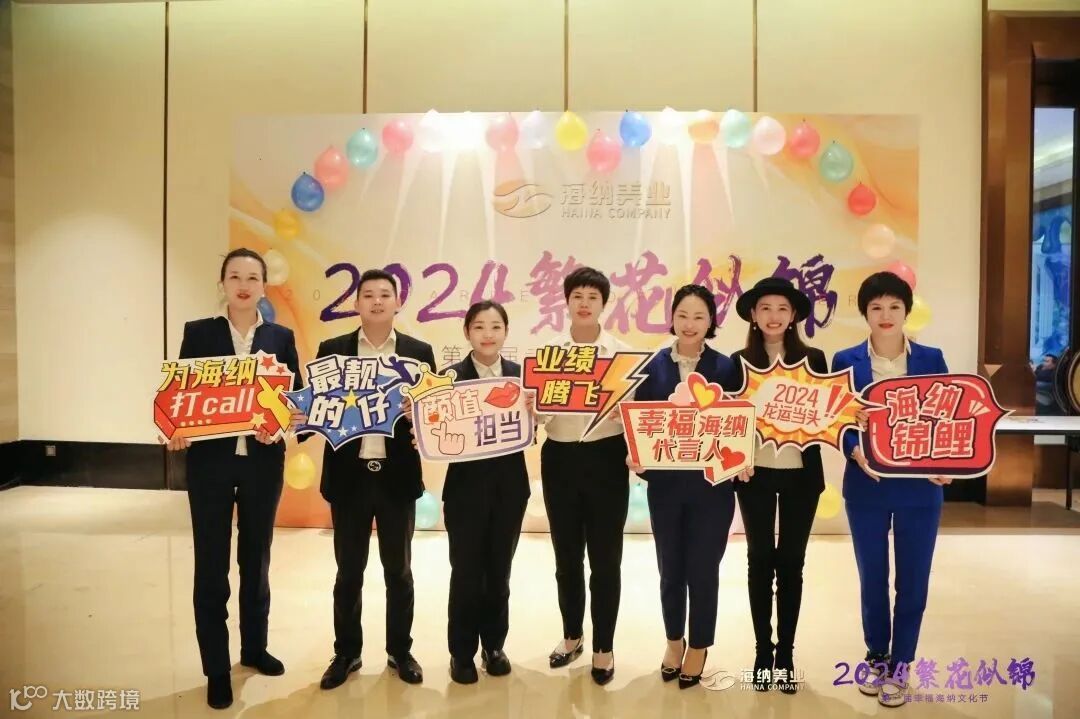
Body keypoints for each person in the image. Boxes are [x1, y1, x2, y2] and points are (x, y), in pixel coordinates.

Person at [166, 248, 300, 710]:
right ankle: (217, 668)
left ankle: (254, 648)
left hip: (263, 463)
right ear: (222, 283)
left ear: (264, 285)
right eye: (235, 276)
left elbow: (294, 401)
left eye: (252, 277)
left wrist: (278, 426)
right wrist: (177, 427)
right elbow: (181, 396)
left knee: (256, 561)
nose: (244, 285)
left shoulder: (281, 337)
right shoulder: (199, 333)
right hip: (210, 464)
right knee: (211, 566)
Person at [298, 268, 436, 690]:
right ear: (356, 304)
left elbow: (434, 415)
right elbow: (315, 410)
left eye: (385, 294)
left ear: (398, 303)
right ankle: (346, 653)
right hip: (349, 478)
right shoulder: (332, 351)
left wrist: (421, 418)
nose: (377, 301)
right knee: (348, 573)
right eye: (369, 295)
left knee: (399, 572)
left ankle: (400, 651)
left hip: (396, 478)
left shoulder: (418, 353)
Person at [831, 271, 952, 708]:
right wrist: (853, 448)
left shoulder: (931, 358)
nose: (886, 315)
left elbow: (948, 417)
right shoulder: (845, 360)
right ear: (865, 312)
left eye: (894, 306)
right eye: (876, 307)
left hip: (920, 488)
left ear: (907, 311)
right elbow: (837, 419)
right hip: (867, 484)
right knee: (873, 577)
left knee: (913, 579)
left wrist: (946, 464)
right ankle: (876, 655)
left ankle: (902, 664)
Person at [627, 284, 737, 689]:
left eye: (699, 317)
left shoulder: (727, 367)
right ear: (672, 318)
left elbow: (740, 423)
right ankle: (674, 640)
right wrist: (637, 458)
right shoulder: (652, 366)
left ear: (711, 322)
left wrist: (739, 460)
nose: (690, 324)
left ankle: (699, 646)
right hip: (666, 487)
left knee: (703, 570)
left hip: (712, 489)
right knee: (670, 568)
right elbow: (639, 421)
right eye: (683, 315)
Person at [727, 277, 827, 694]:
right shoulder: (738, 362)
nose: (773, 316)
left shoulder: (814, 358)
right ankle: (761, 651)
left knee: (791, 563)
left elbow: (827, 412)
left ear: (793, 315)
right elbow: (728, 419)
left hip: (802, 475)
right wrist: (736, 459)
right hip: (755, 475)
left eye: (782, 308)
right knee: (759, 561)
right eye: (765, 308)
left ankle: (785, 652)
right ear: (753, 314)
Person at [434, 300, 533, 684]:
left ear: (505, 332)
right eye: (479, 327)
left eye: (495, 327)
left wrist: (535, 410)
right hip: (465, 491)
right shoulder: (450, 378)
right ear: (467, 332)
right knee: (465, 572)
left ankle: (493, 646)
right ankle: (461, 652)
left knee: (499, 571)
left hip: (510, 489)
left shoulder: (521, 378)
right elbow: (435, 430)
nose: (487, 334)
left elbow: (534, 429)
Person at [540, 267, 631, 685]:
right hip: (560, 458)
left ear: (603, 304)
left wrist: (622, 415)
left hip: (607, 459)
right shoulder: (548, 354)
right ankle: (572, 635)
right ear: (566, 301)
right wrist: (533, 406)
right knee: (566, 557)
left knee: (606, 560)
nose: (584, 303)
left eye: (593, 297)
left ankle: (603, 647)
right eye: (577, 295)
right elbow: (538, 418)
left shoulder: (622, 356)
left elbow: (635, 418)